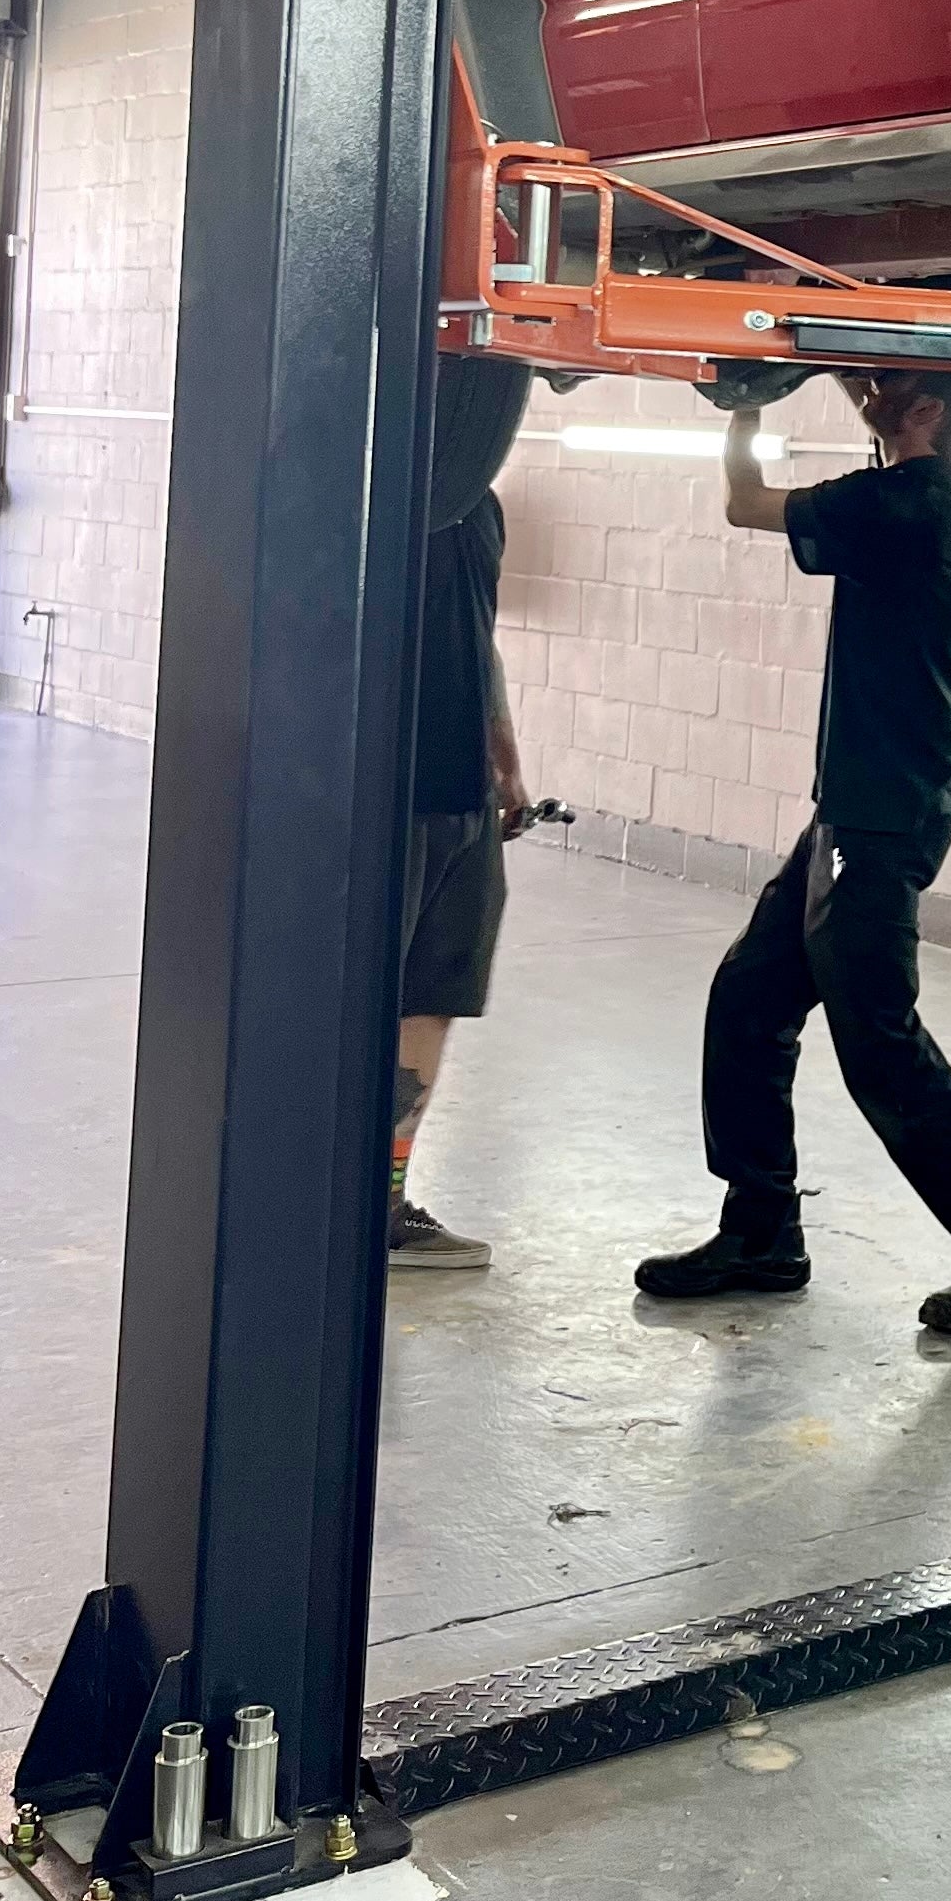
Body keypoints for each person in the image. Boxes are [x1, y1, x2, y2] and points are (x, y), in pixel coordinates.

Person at [634, 372, 951, 1334]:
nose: (872, 393)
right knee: (749, 998)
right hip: (857, 813)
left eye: (890, 387)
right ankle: (761, 1230)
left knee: (878, 1041)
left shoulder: (905, 505)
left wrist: (743, 399)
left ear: (930, 415)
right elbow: (869, 436)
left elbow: (745, 502)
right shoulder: (942, 499)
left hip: (876, 822)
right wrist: (836, 369)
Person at [393, 359, 534, 1272]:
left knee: (436, 992)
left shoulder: (478, 509)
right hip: (384, 796)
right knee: (359, 994)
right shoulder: (368, 499)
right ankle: (309, 1183)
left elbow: (476, 630)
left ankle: (386, 1197)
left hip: (461, 792)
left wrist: (504, 751)